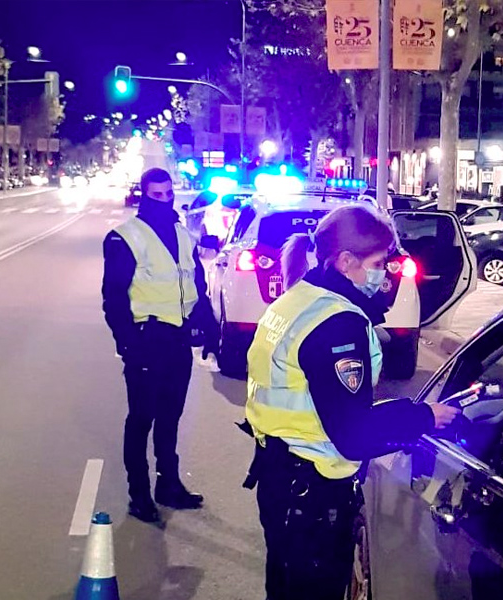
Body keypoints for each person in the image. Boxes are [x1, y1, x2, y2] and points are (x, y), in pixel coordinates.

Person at [241, 204, 460, 600]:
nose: (385, 273)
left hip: (281, 479)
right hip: (311, 494)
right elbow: (354, 436)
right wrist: (423, 417)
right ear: (346, 261)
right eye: (378, 262)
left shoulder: (301, 298)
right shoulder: (339, 323)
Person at [102, 167, 220, 524]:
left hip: (177, 341)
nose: (165, 200)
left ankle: (168, 484)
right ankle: (139, 495)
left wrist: (210, 329)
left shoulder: (183, 236)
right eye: (157, 195)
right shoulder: (124, 238)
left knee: (170, 419)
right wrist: (127, 344)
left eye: (169, 194)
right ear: (143, 195)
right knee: (141, 420)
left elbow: (195, 285)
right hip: (146, 340)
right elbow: (114, 298)